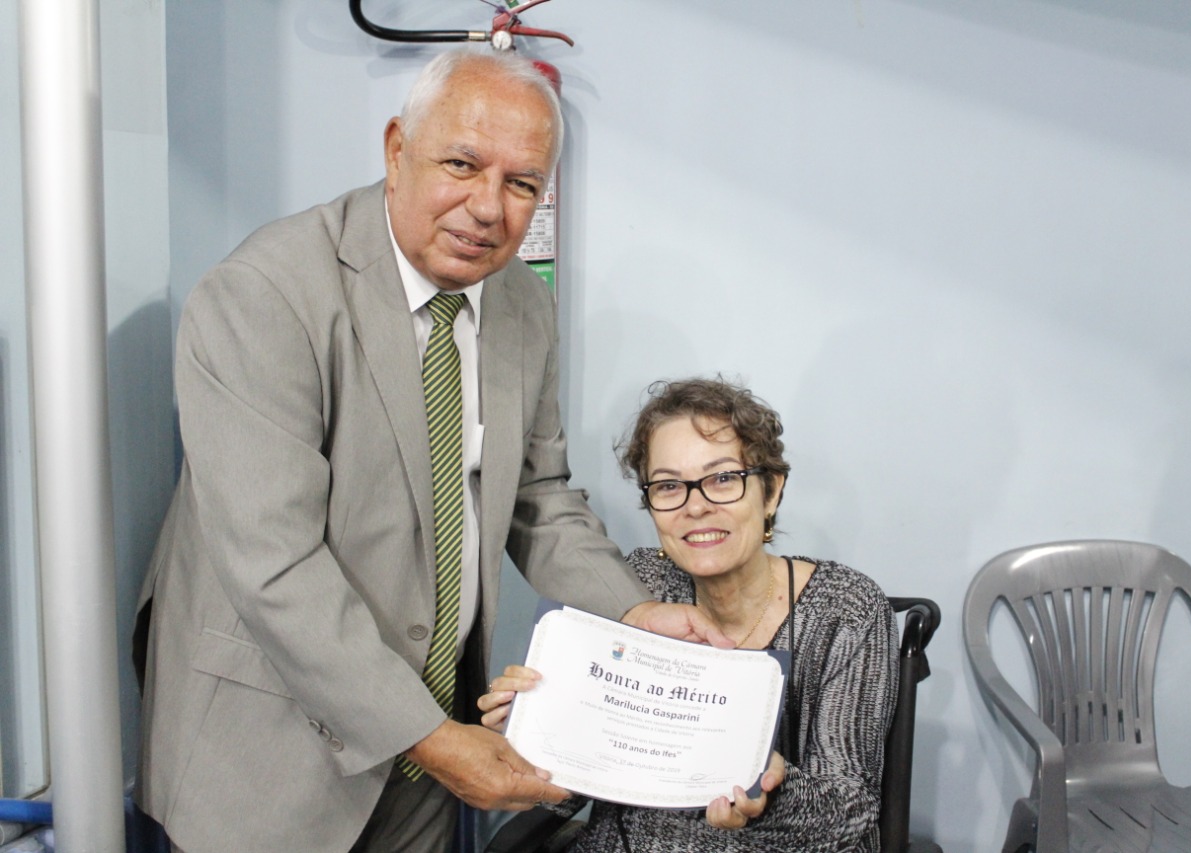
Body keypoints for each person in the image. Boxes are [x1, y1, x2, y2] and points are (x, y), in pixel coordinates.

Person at [132, 49, 731, 853]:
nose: (488, 207)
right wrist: (432, 738)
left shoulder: (522, 305)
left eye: (522, 184)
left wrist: (633, 611)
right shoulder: (265, 293)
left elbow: (539, 496)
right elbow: (273, 564)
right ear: (395, 149)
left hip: (430, 749)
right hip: (270, 759)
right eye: (461, 164)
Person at [480, 377, 900, 852]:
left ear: (771, 491)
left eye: (723, 479)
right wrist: (537, 727)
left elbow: (849, 818)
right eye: (668, 485)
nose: (695, 506)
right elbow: (571, 789)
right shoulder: (639, 589)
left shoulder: (846, 609)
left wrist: (770, 790)